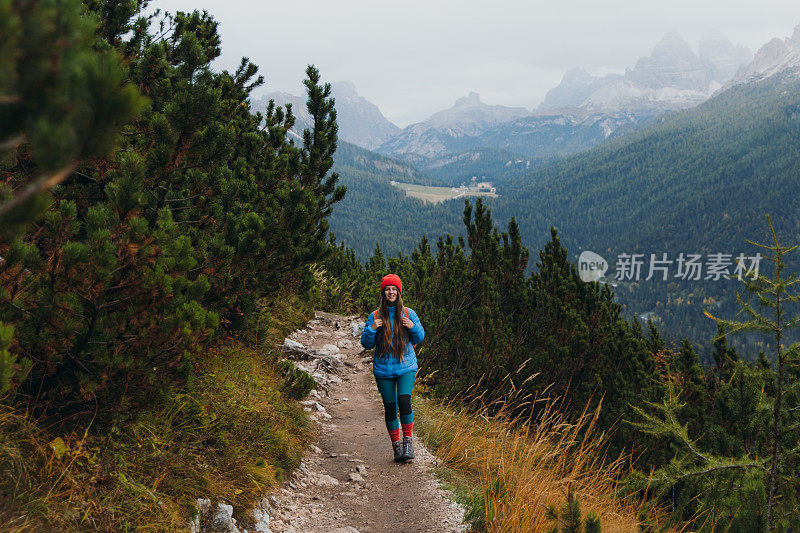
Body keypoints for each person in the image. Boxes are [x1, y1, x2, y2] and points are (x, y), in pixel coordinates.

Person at [360, 273, 425, 463]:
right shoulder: (375, 316)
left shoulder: (408, 313)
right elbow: (366, 344)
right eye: (387, 289)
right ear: (383, 292)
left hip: (406, 367)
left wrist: (413, 326)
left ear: (399, 292)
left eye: (394, 289)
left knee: (404, 400)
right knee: (390, 407)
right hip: (383, 370)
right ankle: (396, 447)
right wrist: (371, 329)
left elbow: (419, 338)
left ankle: (408, 443)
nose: (390, 292)